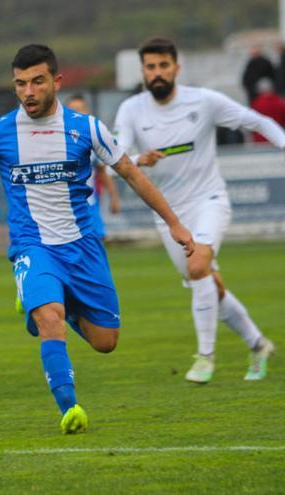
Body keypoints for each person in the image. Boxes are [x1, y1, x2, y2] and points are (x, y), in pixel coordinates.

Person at [0, 44, 194, 434]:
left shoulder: (87, 128)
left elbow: (132, 174)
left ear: (56, 81)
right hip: (32, 245)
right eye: (20, 84)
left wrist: (174, 223)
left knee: (106, 341)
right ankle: (69, 407)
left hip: (83, 247)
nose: (28, 92)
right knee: (48, 318)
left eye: (37, 82)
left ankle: (59, 301)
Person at [114, 37, 281, 383]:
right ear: (143, 72)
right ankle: (258, 344)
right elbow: (114, 158)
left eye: (163, 65)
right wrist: (137, 160)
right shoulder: (132, 109)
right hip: (168, 216)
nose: (157, 73)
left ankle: (205, 358)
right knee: (210, 284)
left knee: (198, 265)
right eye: (150, 67)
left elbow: (257, 121)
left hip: (209, 201)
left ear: (176, 68)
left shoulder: (204, 101)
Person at [64, 95, 121, 239]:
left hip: (88, 204)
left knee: (96, 241)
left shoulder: (93, 140)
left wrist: (114, 198)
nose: (76, 114)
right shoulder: (57, 141)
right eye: (72, 110)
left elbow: (102, 171)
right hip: (63, 207)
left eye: (80, 110)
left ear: (87, 112)